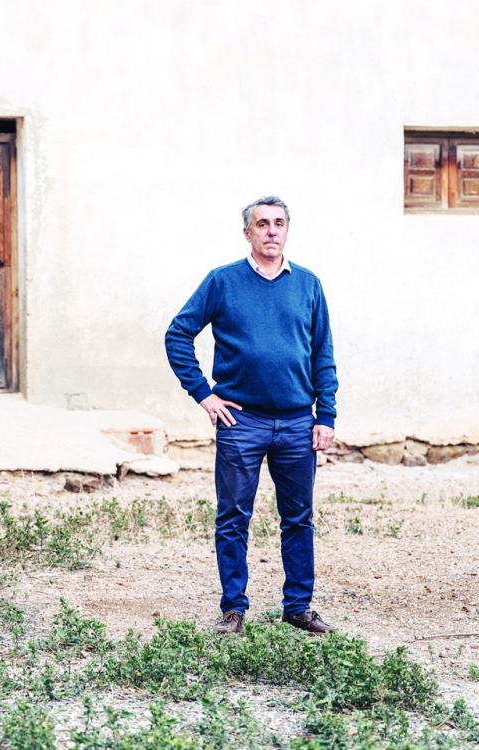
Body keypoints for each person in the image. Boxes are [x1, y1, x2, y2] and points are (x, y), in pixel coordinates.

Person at [164, 196, 338, 635]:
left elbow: (322, 354)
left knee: (298, 518)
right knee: (233, 518)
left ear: (287, 231)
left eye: (279, 223)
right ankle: (233, 609)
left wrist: (326, 415)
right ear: (248, 233)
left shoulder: (308, 285)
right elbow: (178, 335)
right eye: (262, 224)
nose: (271, 231)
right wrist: (204, 395)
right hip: (241, 422)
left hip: (297, 422)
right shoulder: (222, 281)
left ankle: (298, 607)